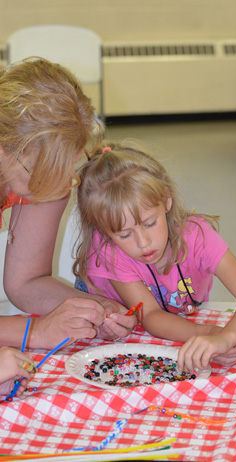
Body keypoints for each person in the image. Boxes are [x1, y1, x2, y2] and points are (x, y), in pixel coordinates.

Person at [73, 140, 236, 372]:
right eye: (125, 234)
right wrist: (208, 333)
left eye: (150, 223)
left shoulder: (197, 236)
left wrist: (226, 337)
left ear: (166, 200)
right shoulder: (109, 252)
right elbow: (151, 316)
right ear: (103, 231)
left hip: (172, 319)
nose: (143, 242)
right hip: (114, 324)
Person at [0, 58, 136, 360]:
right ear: (4, 146)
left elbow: (26, 282)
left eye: (69, 165)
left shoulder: (46, 175)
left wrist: (94, 309)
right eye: (48, 168)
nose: (65, 182)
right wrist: (33, 333)